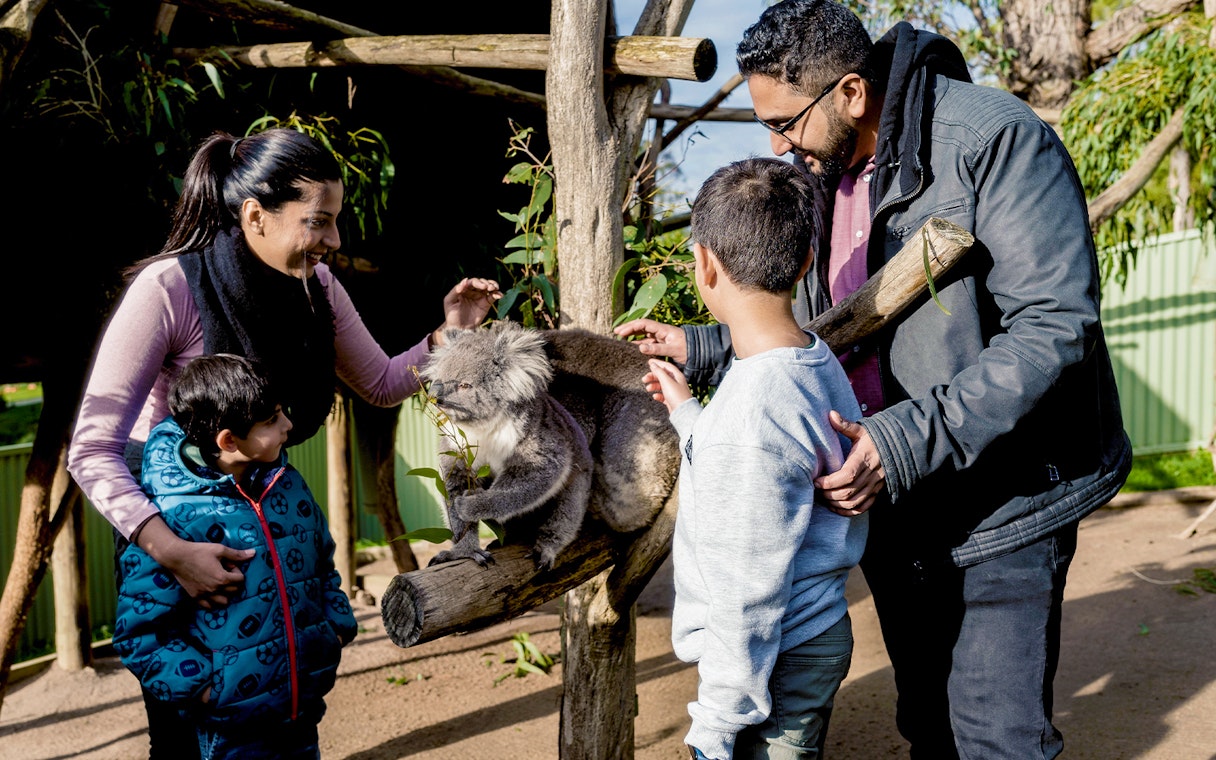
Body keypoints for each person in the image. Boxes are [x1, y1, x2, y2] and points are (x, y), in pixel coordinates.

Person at [617, 1, 1133, 757]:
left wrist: (897, 443)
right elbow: (820, 326)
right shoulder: (821, 168)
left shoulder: (995, 140)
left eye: (785, 122)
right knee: (929, 724)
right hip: (895, 499)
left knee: (996, 738)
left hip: (1003, 496)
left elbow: (1056, 326)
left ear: (851, 93)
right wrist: (707, 346)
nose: (777, 142)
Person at [67, 127, 500, 758]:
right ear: (254, 216)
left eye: (336, 223)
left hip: (265, 503)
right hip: (170, 518)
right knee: (192, 727)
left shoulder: (315, 288)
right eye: (319, 222)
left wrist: (447, 335)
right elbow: (92, 448)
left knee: (283, 699)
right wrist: (173, 552)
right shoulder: (170, 288)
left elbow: (379, 383)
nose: (334, 241)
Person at [643, 157, 868, 759]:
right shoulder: (807, 360)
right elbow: (769, 465)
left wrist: (715, 724)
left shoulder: (749, 414)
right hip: (810, 629)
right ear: (803, 263)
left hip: (775, 651)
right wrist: (690, 414)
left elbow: (748, 591)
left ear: (705, 265)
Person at [112, 353, 356, 760]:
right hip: (232, 732)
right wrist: (206, 690)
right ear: (228, 441)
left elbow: (322, 565)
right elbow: (138, 633)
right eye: (273, 418)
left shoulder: (287, 487)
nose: (288, 426)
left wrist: (335, 628)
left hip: (302, 711)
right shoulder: (174, 519)